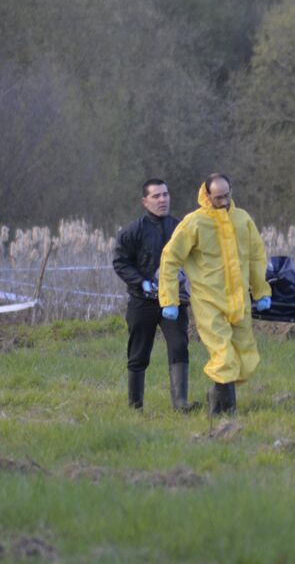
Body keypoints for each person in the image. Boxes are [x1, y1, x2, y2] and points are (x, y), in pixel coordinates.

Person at [158, 174, 272, 416]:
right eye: (218, 197)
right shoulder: (195, 223)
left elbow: (256, 257)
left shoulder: (243, 220)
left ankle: (217, 395)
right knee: (223, 354)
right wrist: (169, 299)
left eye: (227, 195)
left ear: (232, 190)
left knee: (246, 356)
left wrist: (261, 290)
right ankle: (224, 412)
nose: (223, 201)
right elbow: (170, 257)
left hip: (239, 300)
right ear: (207, 195)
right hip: (208, 301)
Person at [112, 179, 197, 412]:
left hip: (174, 300)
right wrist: (141, 282)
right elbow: (120, 262)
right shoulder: (132, 232)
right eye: (156, 196)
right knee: (139, 352)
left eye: (166, 195)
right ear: (144, 201)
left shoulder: (181, 228)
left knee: (179, 346)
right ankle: (135, 406)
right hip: (142, 301)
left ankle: (180, 404)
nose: (163, 200)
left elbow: (195, 260)